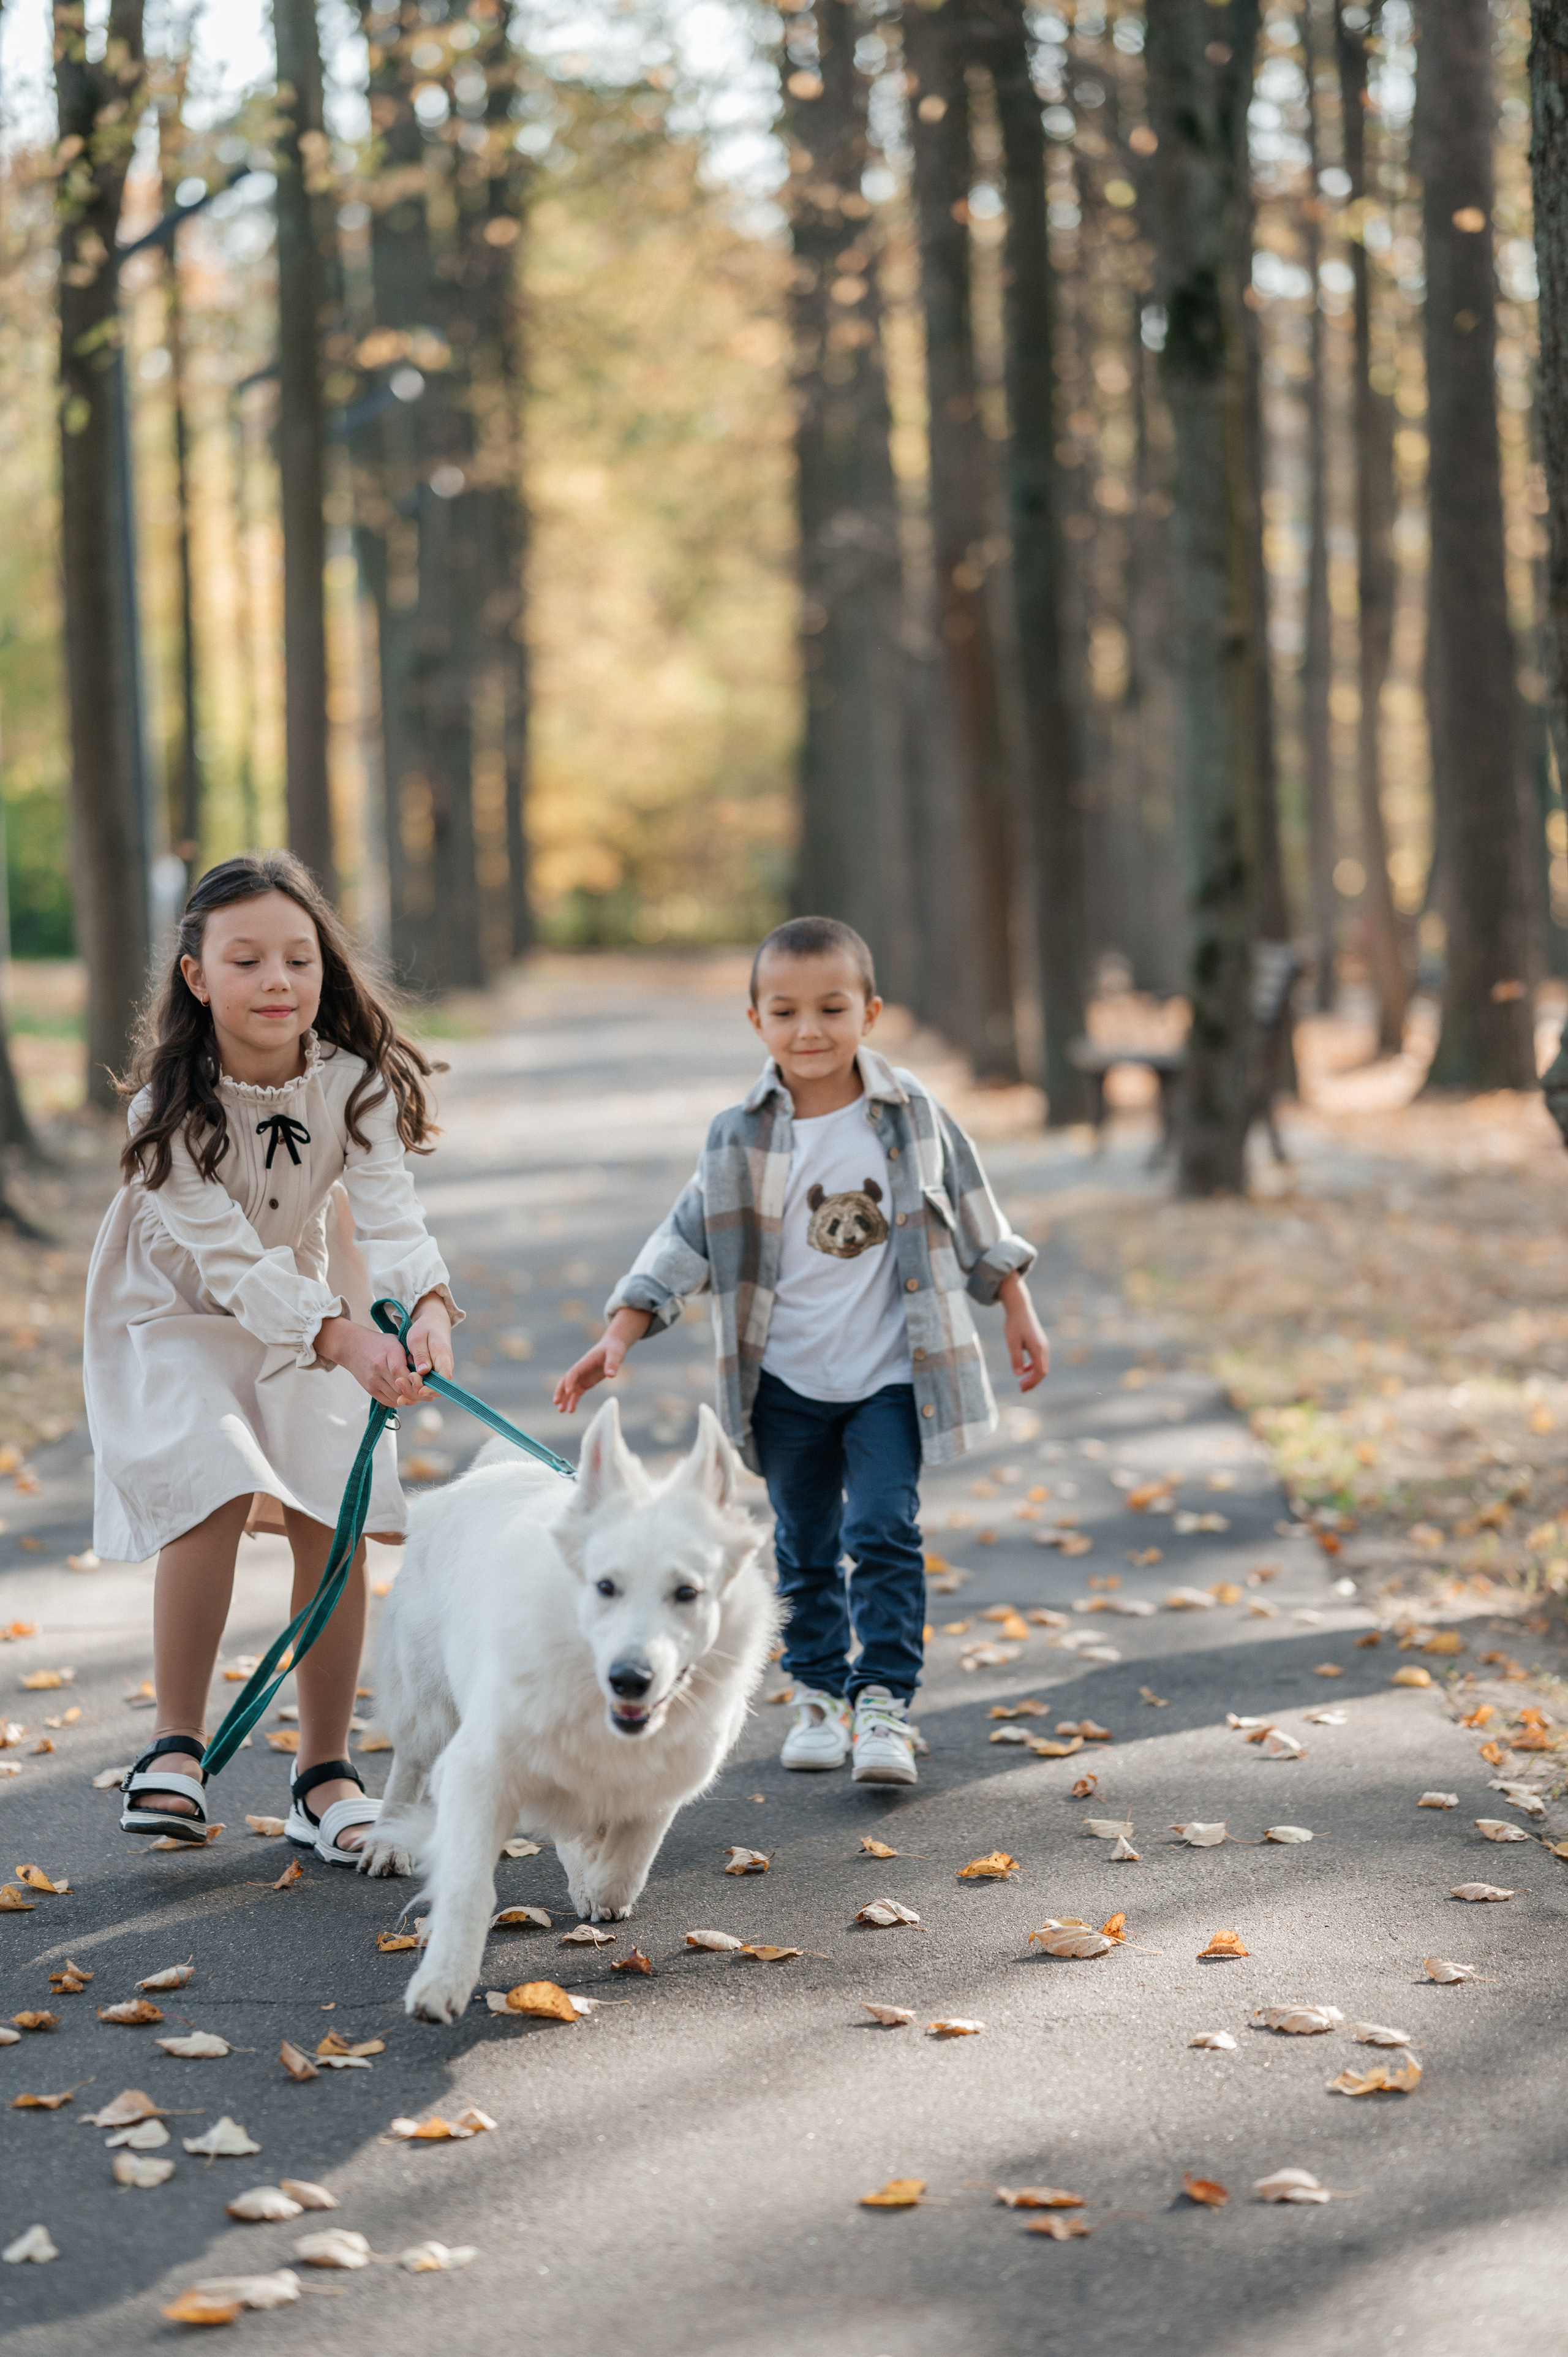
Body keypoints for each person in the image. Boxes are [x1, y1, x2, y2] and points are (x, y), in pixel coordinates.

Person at [554, 915, 1047, 1788]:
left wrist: (1014, 1301)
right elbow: (686, 1239)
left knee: (883, 1529)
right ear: (756, 1021)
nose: (809, 1030)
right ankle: (819, 1694)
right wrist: (621, 1330)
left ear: (871, 1012)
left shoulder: (912, 1116)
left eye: (832, 1008)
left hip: (892, 1379)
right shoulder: (737, 1135)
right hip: (782, 1385)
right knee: (806, 1544)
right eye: (785, 1011)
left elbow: (974, 1207)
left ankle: (885, 1700)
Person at [85, 852, 460, 1863]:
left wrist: (424, 1302)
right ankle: (174, 1746)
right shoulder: (165, 1110)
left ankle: (323, 1772)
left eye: (299, 959)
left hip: (313, 1289)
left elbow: (388, 1211)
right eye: (246, 960)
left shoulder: (354, 1086)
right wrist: (341, 1337)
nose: (278, 981)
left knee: (328, 1505)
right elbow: (230, 1264)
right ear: (197, 976)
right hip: (177, 1309)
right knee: (209, 1477)